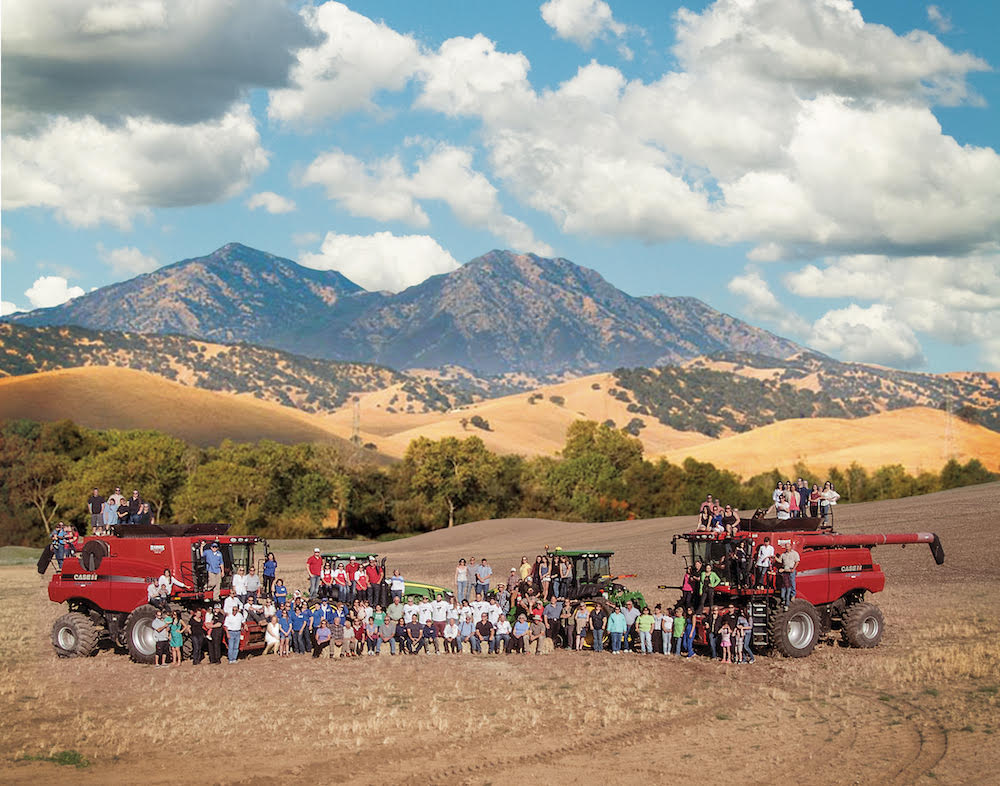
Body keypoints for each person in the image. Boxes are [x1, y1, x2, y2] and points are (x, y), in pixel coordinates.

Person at [777, 543, 801, 608]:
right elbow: (779, 561)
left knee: (792, 582)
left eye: (788, 547)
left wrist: (793, 569)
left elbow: (797, 561)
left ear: (790, 546)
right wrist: (774, 557)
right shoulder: (783, 554)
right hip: (785, 570)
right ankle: (784, 599)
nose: (787, 548)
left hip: (791, 570)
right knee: (785, 584)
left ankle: (793, 595)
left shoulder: (794, 553)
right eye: (786, 547)